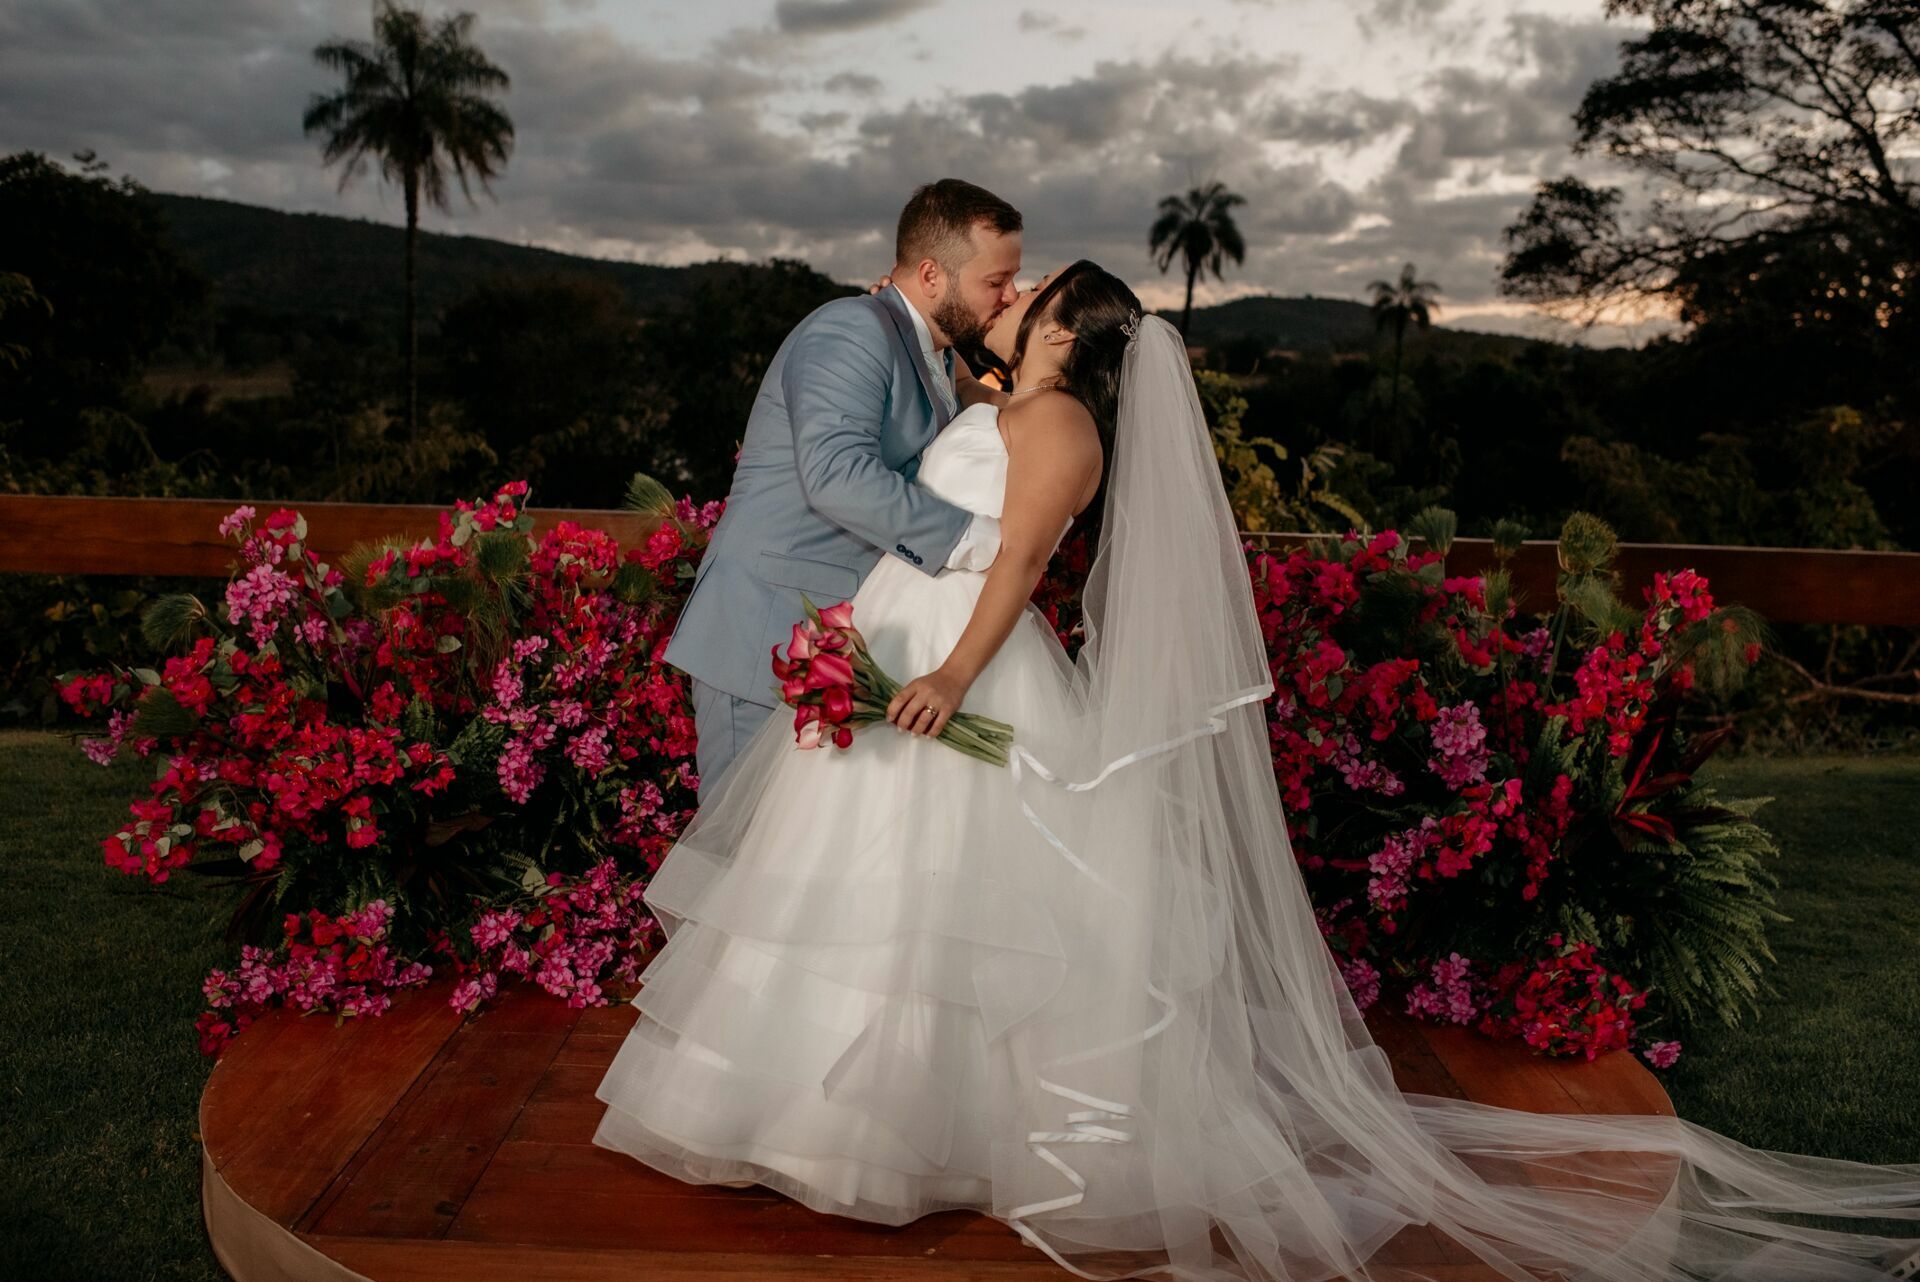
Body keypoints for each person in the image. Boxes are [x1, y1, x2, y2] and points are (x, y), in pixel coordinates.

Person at [596, 259, 1920, 1280]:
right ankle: (804, 1120)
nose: (1016, 302)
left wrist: (945, 674)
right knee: (865, 892)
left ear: (1067, 328)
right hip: (900, 646)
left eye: (1038, 297)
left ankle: (917, 1134)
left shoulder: (1060, 428)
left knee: (965, 902)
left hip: (964, 667)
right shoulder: (1006, 403)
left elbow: (1011, 568)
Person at [659, 177, 1022, 800]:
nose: (1010, 294)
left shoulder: (931, 354)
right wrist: (985, 543)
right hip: (766, 638)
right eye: (996, 281)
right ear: (931, 274)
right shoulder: (851, 330)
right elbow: (837, 475)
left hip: (835, 651)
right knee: (738, 869)